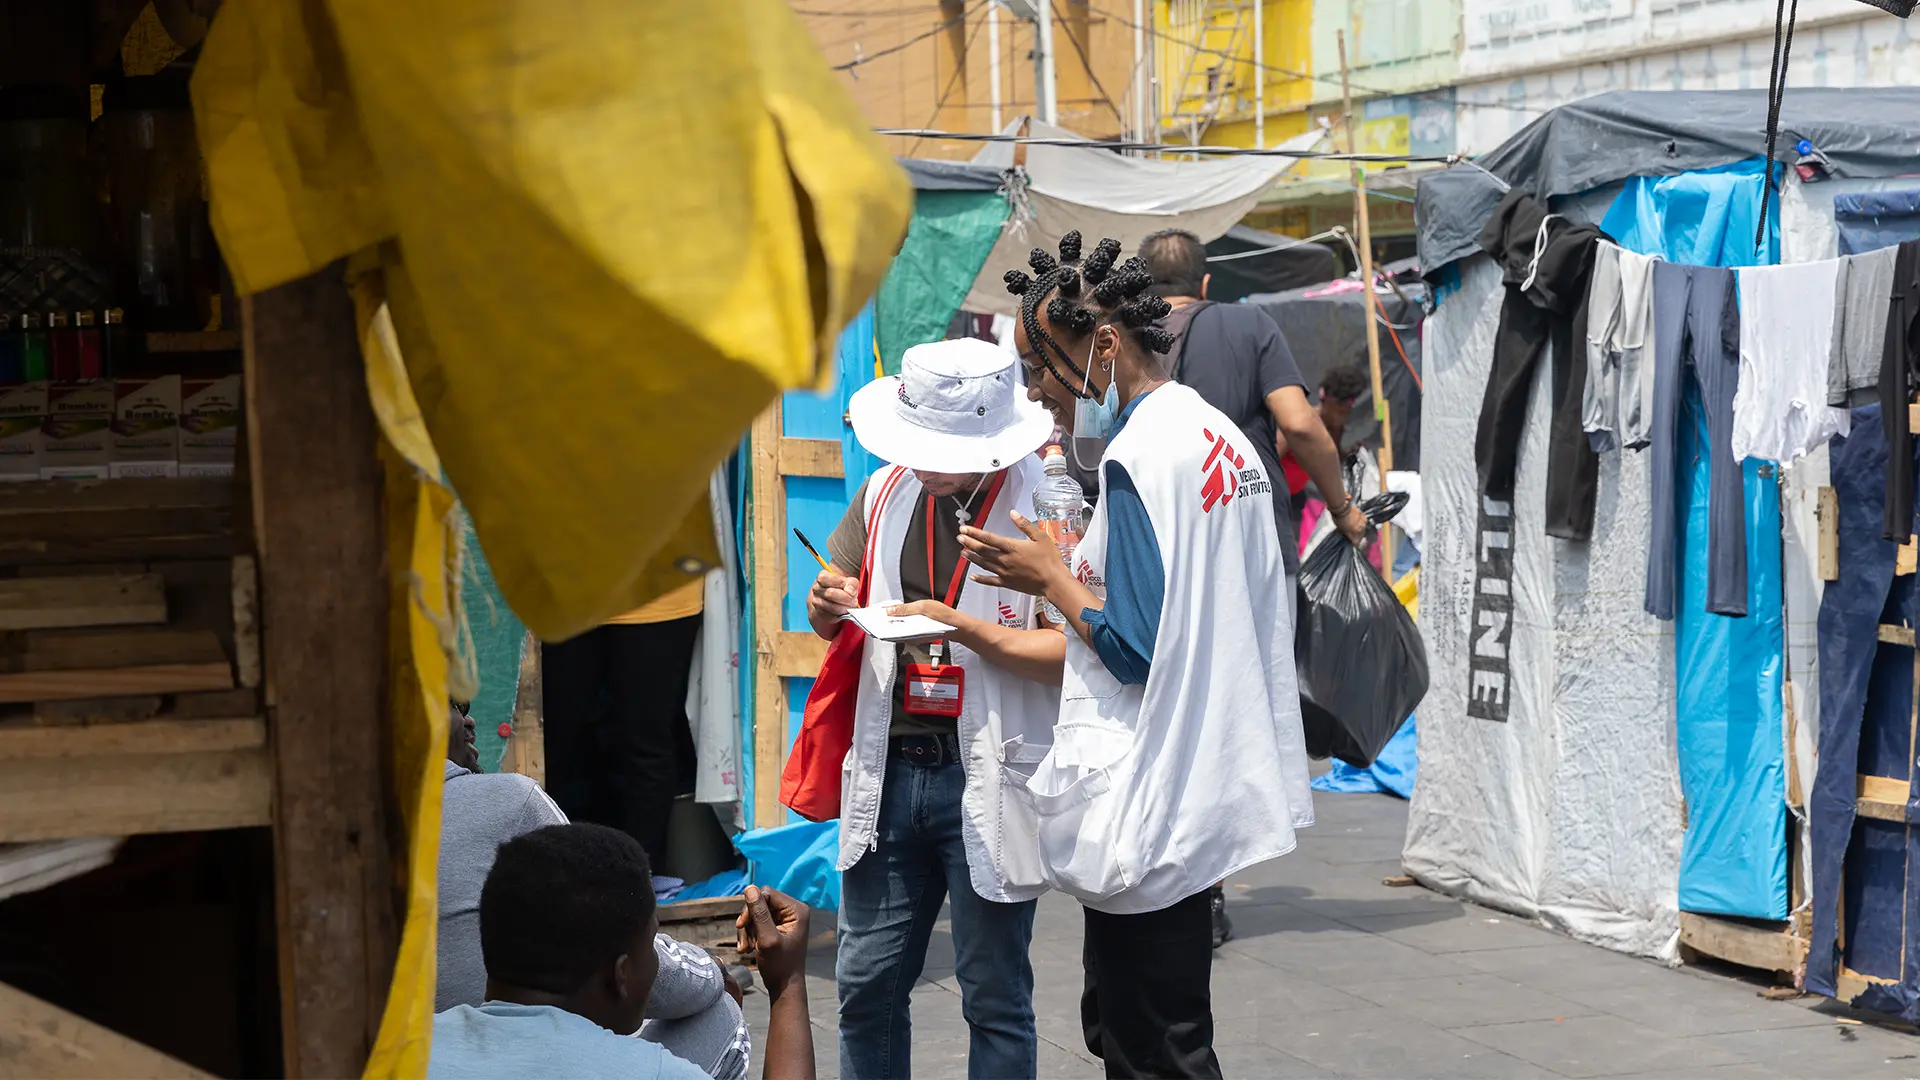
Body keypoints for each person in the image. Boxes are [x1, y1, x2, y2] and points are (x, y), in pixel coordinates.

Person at [933, 233, 1314, 1079]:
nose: (1038, 389)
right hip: (1199, 778)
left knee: (1148, 1049)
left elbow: (1135, 646)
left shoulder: (1142, 455)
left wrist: (1051, 578)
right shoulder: (1218, 435)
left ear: (1103, 343)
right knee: (1164, 1033)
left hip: (1154, 795)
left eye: (1041, 364)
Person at [806, 336, 1063, 1080]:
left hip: (988, 767)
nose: (921, 461)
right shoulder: (885, 492)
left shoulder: (1041, 505)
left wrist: (965, 629)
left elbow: (1071, 652)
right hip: (890, 768)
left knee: (994, 995)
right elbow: (833, 610)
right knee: (866, 984)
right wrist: (828, 603)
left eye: (939, 447)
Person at [1135, 229, 1361, 948]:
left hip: (1148, 536)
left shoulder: (1122, 339)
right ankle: (1209, 882)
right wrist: (1345, 508)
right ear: (1205, 284)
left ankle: (1165, 869)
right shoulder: (1248, 324)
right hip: (1243, 537)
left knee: (1159, 700)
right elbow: (1299, 425)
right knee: (1235, 701)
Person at [436, 714, 749, 1080]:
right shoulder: (510, 802)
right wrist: (772, 983)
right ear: (621, 974)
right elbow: (622, 935)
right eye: (453, 703)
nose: (469, 719)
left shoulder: (404, 1054)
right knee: (720, 1010)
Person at [429, 824, 815, 1080]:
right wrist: (787, 986)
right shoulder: (660, 1074)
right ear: (622, 975)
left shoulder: (399, 1053)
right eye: (652, 944)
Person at [1280, 363, 1371, 521]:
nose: (1342, 418)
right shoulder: (1301, 423)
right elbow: (1270, 460)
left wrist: (1351, 456)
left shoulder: (1335, 430)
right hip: (1276, 496)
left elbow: (1331, 458)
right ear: (1327, 402)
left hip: (1294, 499)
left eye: (1346, 413)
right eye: (1339, 412)